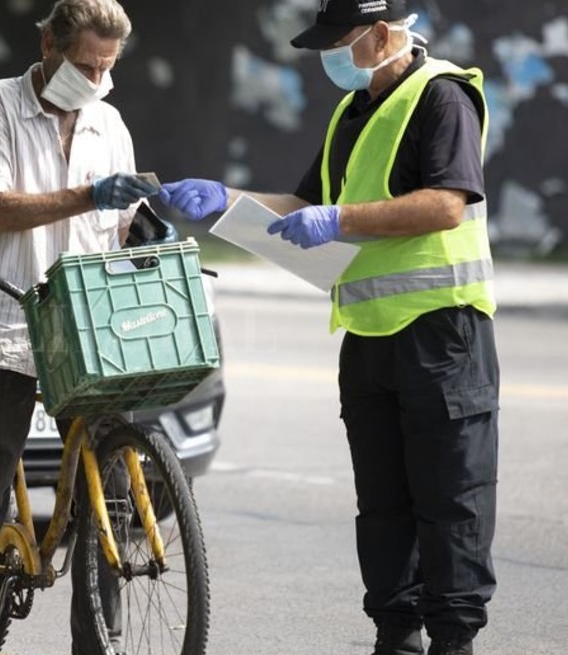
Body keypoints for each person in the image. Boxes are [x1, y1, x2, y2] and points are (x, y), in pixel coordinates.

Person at [157, 1, 499, 654]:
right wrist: (226, 199)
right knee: (383, 508)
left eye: (338, 42)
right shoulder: (354, 111)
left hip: (442, 336)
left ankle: (454, 642)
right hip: (368, 339)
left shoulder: (442, 97)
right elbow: (305, 205)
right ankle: (394, 636)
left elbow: (447, 203)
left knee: (451, 502)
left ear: (381, 33)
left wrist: (340, 221)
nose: (328, 58)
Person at [0, 0, 156, 651]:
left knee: (104, 489)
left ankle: (99, 640)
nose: (95, 78)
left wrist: (150, 226)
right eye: (85, 64)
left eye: (106, 68)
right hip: (6, 322)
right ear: (47, 47)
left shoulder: (109, 124)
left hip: (84, 329)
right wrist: (89, 195)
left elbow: (119, 228)